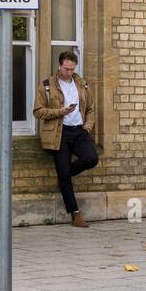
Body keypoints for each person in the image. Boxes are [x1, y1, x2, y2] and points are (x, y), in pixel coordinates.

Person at [34, 50, 98, 227]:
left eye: (72, 69)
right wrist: (58, 112)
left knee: (91, 158)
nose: (69, 72)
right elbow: (38, 111)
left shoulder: (82, 84)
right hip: (59, 133)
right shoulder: (47, 85)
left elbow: (91, 109)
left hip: (79, 131)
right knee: (64, 177)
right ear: (59, 66)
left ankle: (65, 174)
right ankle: (75, 214)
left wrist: (87, 128)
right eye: (66, 68)